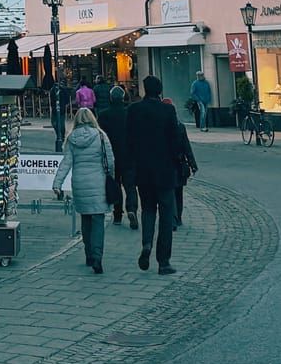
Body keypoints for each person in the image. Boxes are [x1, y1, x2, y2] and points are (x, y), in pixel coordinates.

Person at [124, 75, 183, 274]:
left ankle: (147, 243)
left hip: (143, 170)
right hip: (165, 171)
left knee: (148, 209)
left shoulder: (133, 110)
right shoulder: (168, 110)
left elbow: (129, 141)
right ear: (159, 91)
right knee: (166, 215)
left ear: (144, 89)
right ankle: (164, 261)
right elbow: (176, 142)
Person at [52, 107, 116, 274]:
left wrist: (57, 183)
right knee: (98, 220)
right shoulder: (101, 136)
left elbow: (66, 163)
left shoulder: (72, 138)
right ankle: (97, 256)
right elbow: (110, 160)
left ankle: (88, 254)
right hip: (98, 181)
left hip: (80, 183)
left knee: (86, 219)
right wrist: (111, 176)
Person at [95, 84, 132, 226]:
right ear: (123, 98)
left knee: (116, 184)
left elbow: (100, 137)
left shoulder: (104, 115)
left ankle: (117, 215)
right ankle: (132, 208)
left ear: (110, 98)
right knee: (130, 185)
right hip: (128, 155)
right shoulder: (129, 113)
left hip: (111, 155)